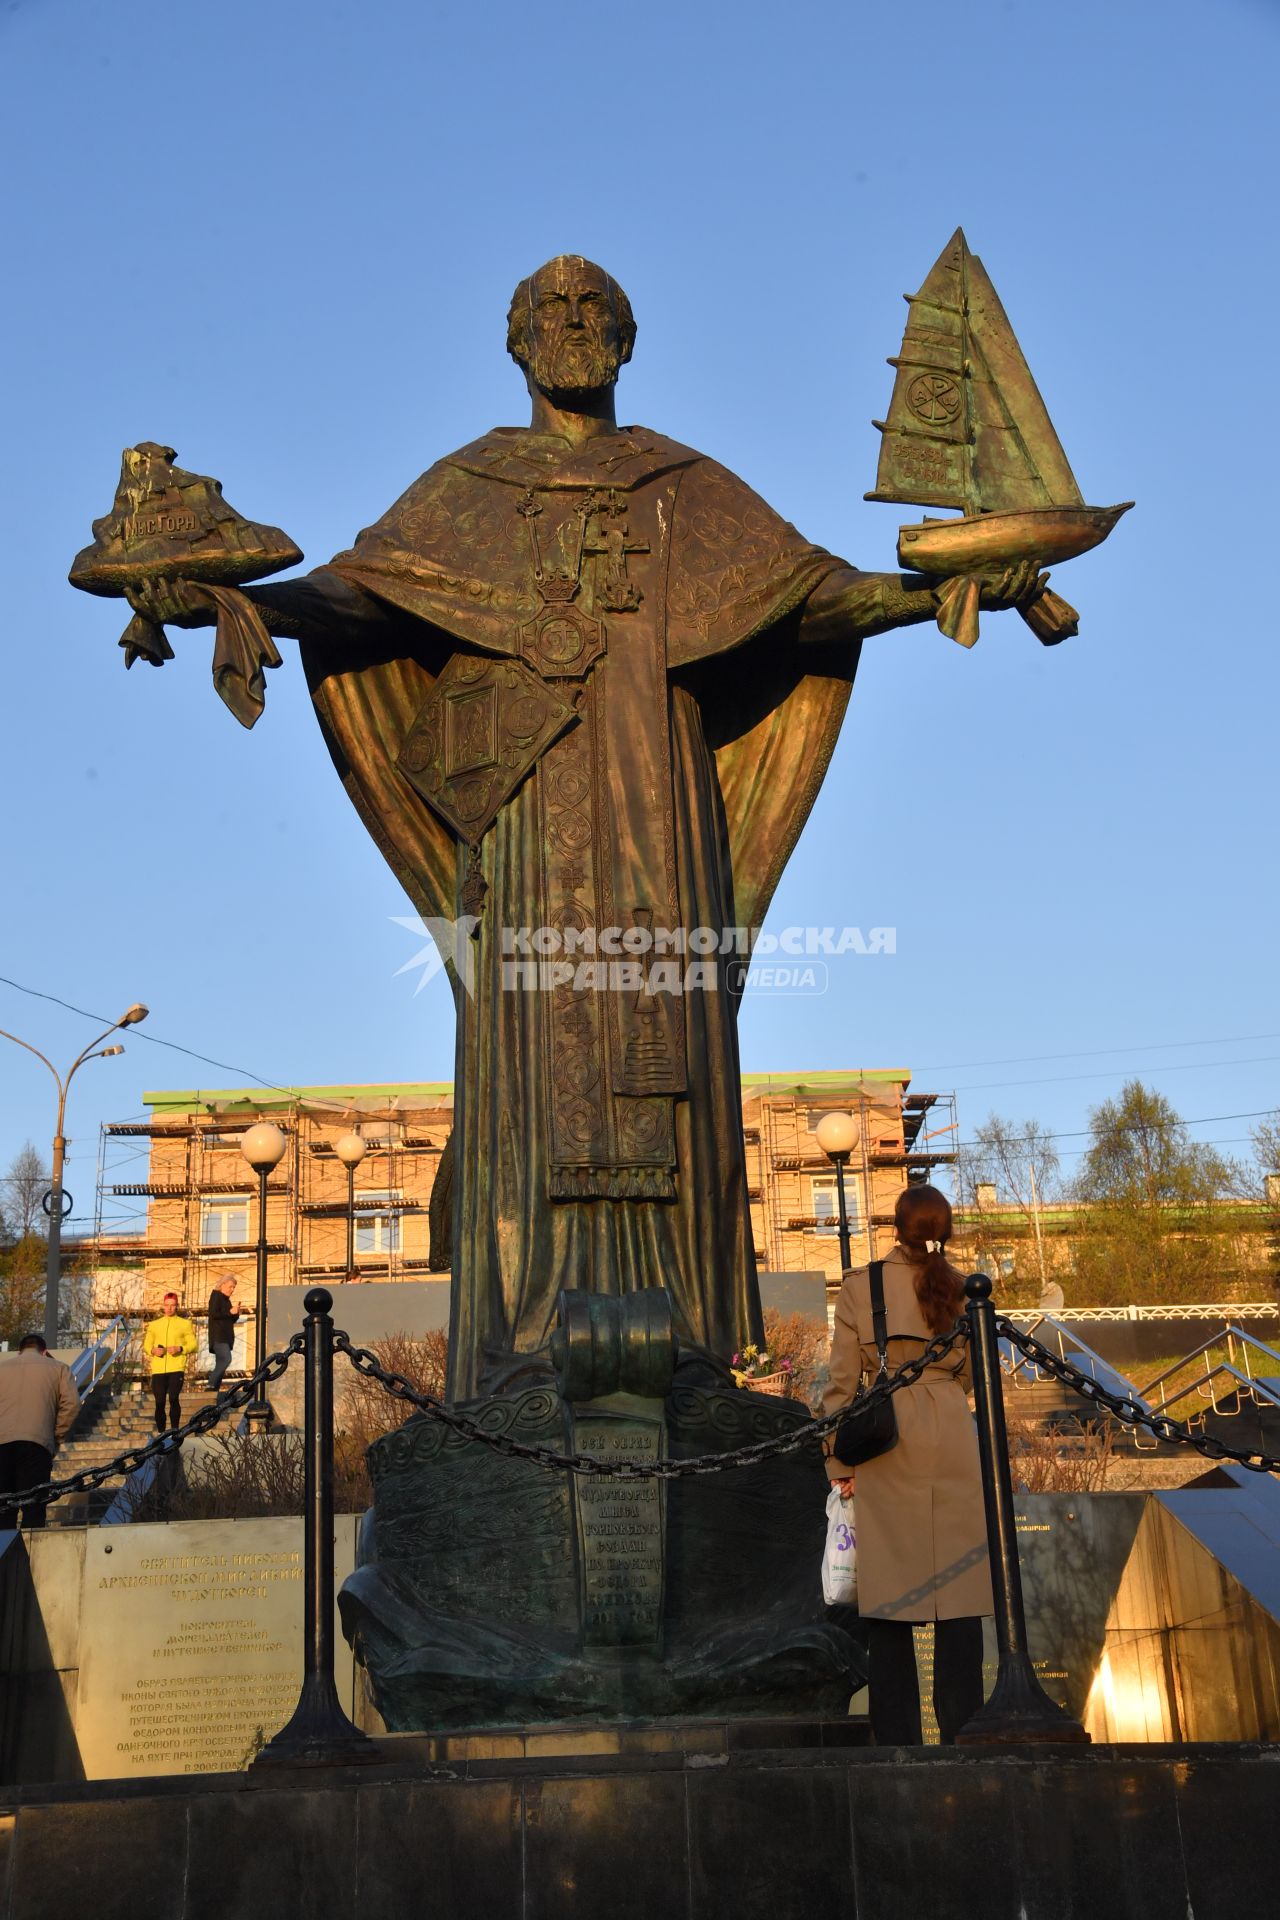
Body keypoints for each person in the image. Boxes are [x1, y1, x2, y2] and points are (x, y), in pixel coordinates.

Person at [125, 255, 1041, 1401]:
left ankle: (701, 1344)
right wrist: (248, 599)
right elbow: (363, 596)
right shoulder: (465, 488)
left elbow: (806, 599)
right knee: (527, 1039)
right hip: (522, 827)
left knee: (669, 1037)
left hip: (661, 812)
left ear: (627, 338)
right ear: (514, 342)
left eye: (591, 311)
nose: (570, 325)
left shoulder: (686, 488)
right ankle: (520, 1343)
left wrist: (937, 589)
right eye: (547, 312)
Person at [823, 1185, 992, 1744]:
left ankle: (897, 1742)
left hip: (885, 1435)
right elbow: (972, 1377)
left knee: (888, 1599)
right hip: (951, 1433)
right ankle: (963, 1732)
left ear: (896, 1226)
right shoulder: (965, 1288)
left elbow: (842, 1386)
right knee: (959, 1597)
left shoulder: (861, 1285)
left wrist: (836, 1464)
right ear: (943, 1229)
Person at [0, 1333, 80, 1529]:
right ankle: (30, 1554)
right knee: (34, 1509)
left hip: (2, 1444)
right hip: (37, 1444)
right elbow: (72, 1404)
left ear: (19, 1352)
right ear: (45, 1352)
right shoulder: (59, 1368)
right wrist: (56, 1436)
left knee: (3, 1508)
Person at [142, 1292, 197, 1433]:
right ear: (163, 1306)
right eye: (167, 1305)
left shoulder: (185, 1324)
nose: (169, 1308)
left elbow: (194, 1345)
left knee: (173, 1397)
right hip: (158, 1370)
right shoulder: (154, 1325)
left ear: (177, 1306)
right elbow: (146, 1346)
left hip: (176, 1368)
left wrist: (180, 1348)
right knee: (159, 1402)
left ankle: (174, 1431)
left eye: (173, 1305)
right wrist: (153, 1351)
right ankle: (161, 1433)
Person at [207, 1274, 240, 1391]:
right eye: (230, 1287)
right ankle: (211, 1384)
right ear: (222, 1285)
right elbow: (215, 1314)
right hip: (219, 1337)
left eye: (234, 1288)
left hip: (225, 1337)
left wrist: (235, 1314)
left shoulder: (226, 1300)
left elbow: (229, 1319)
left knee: (221, 1362)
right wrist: (230, 1312)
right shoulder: (217, 1296)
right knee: (226, 1359)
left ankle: (214, 1388)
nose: (232, 1290)